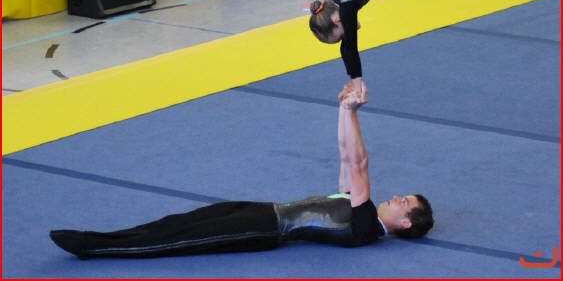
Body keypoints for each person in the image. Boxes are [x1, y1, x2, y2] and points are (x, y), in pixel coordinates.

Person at [49, 85, 433, 259]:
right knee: (181, 221)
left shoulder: (365, 226)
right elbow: (347, 158)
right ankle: (102, 239)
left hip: (265, 230)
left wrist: (352, 112)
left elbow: (361, 163)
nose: (396, 198)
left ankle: (92, 246)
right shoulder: (359, 207)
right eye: (403, 196)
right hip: (264, 210)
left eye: (404, 203)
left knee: (183, 239)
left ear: (405, 224)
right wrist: (343, 110)